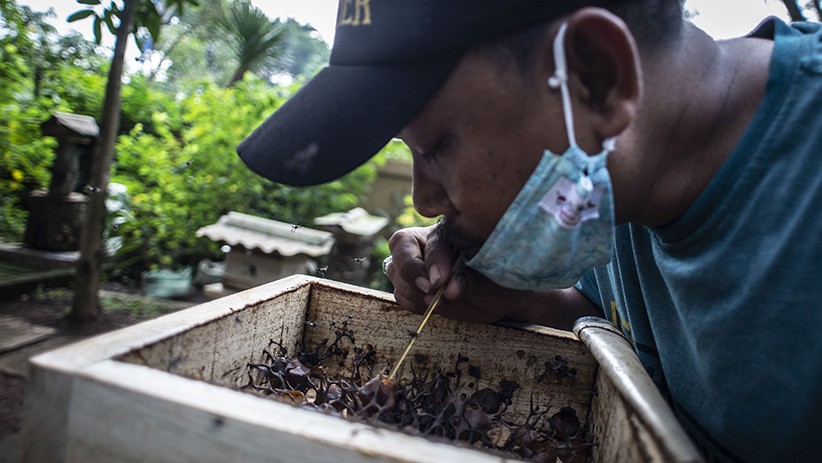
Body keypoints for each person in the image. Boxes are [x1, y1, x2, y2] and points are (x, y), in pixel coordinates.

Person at [237, 1, 822, 461]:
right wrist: (525, 300)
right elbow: (622, 328)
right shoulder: (608, 179)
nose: (422, 201)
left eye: (437, 146)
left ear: (596, 75)